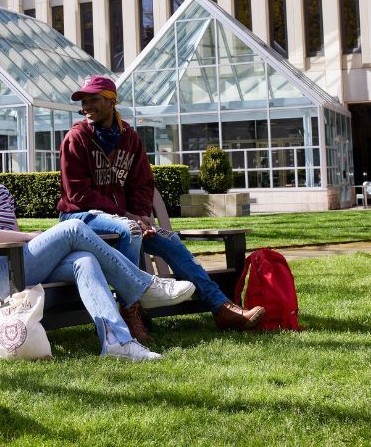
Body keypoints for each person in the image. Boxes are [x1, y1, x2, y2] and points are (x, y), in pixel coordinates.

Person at [0, 134, 196, 362]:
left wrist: (26, 240)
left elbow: (12, 236)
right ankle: (141, 285)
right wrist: (29, 236)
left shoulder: (2, 193)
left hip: (18, 266)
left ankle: (117, 342)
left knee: (84, 261)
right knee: (73, 228)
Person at [57, 75, 266, 332]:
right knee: (128, 230)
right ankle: (130, 310)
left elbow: (142, 184)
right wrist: (127, 216)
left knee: (169, 239)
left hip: (125, 219)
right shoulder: (76, 139)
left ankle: (221, 307)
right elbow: (78, 195)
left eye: (93, 100)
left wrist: (142, 215)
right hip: (81, 218)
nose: (86, 106)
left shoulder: (130, 139)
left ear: (111, 101)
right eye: (83, 101)